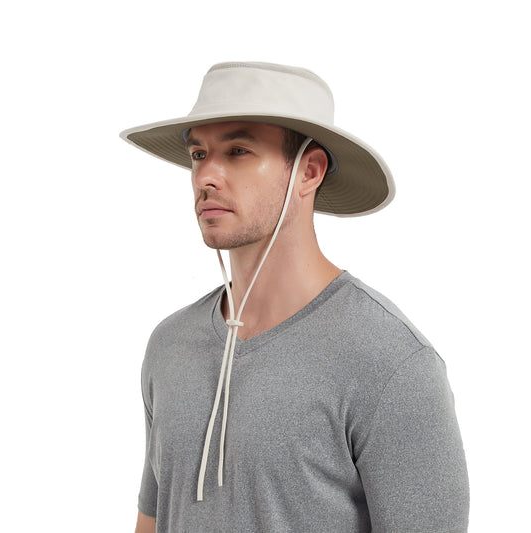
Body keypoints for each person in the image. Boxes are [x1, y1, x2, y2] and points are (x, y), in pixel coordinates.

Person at [121, 62, 469, 533]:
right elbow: (153, 521)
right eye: (199, 154)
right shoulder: (170, 345)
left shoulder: (390, 363)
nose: (206, 176)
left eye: (238, 151)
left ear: (309, 171)